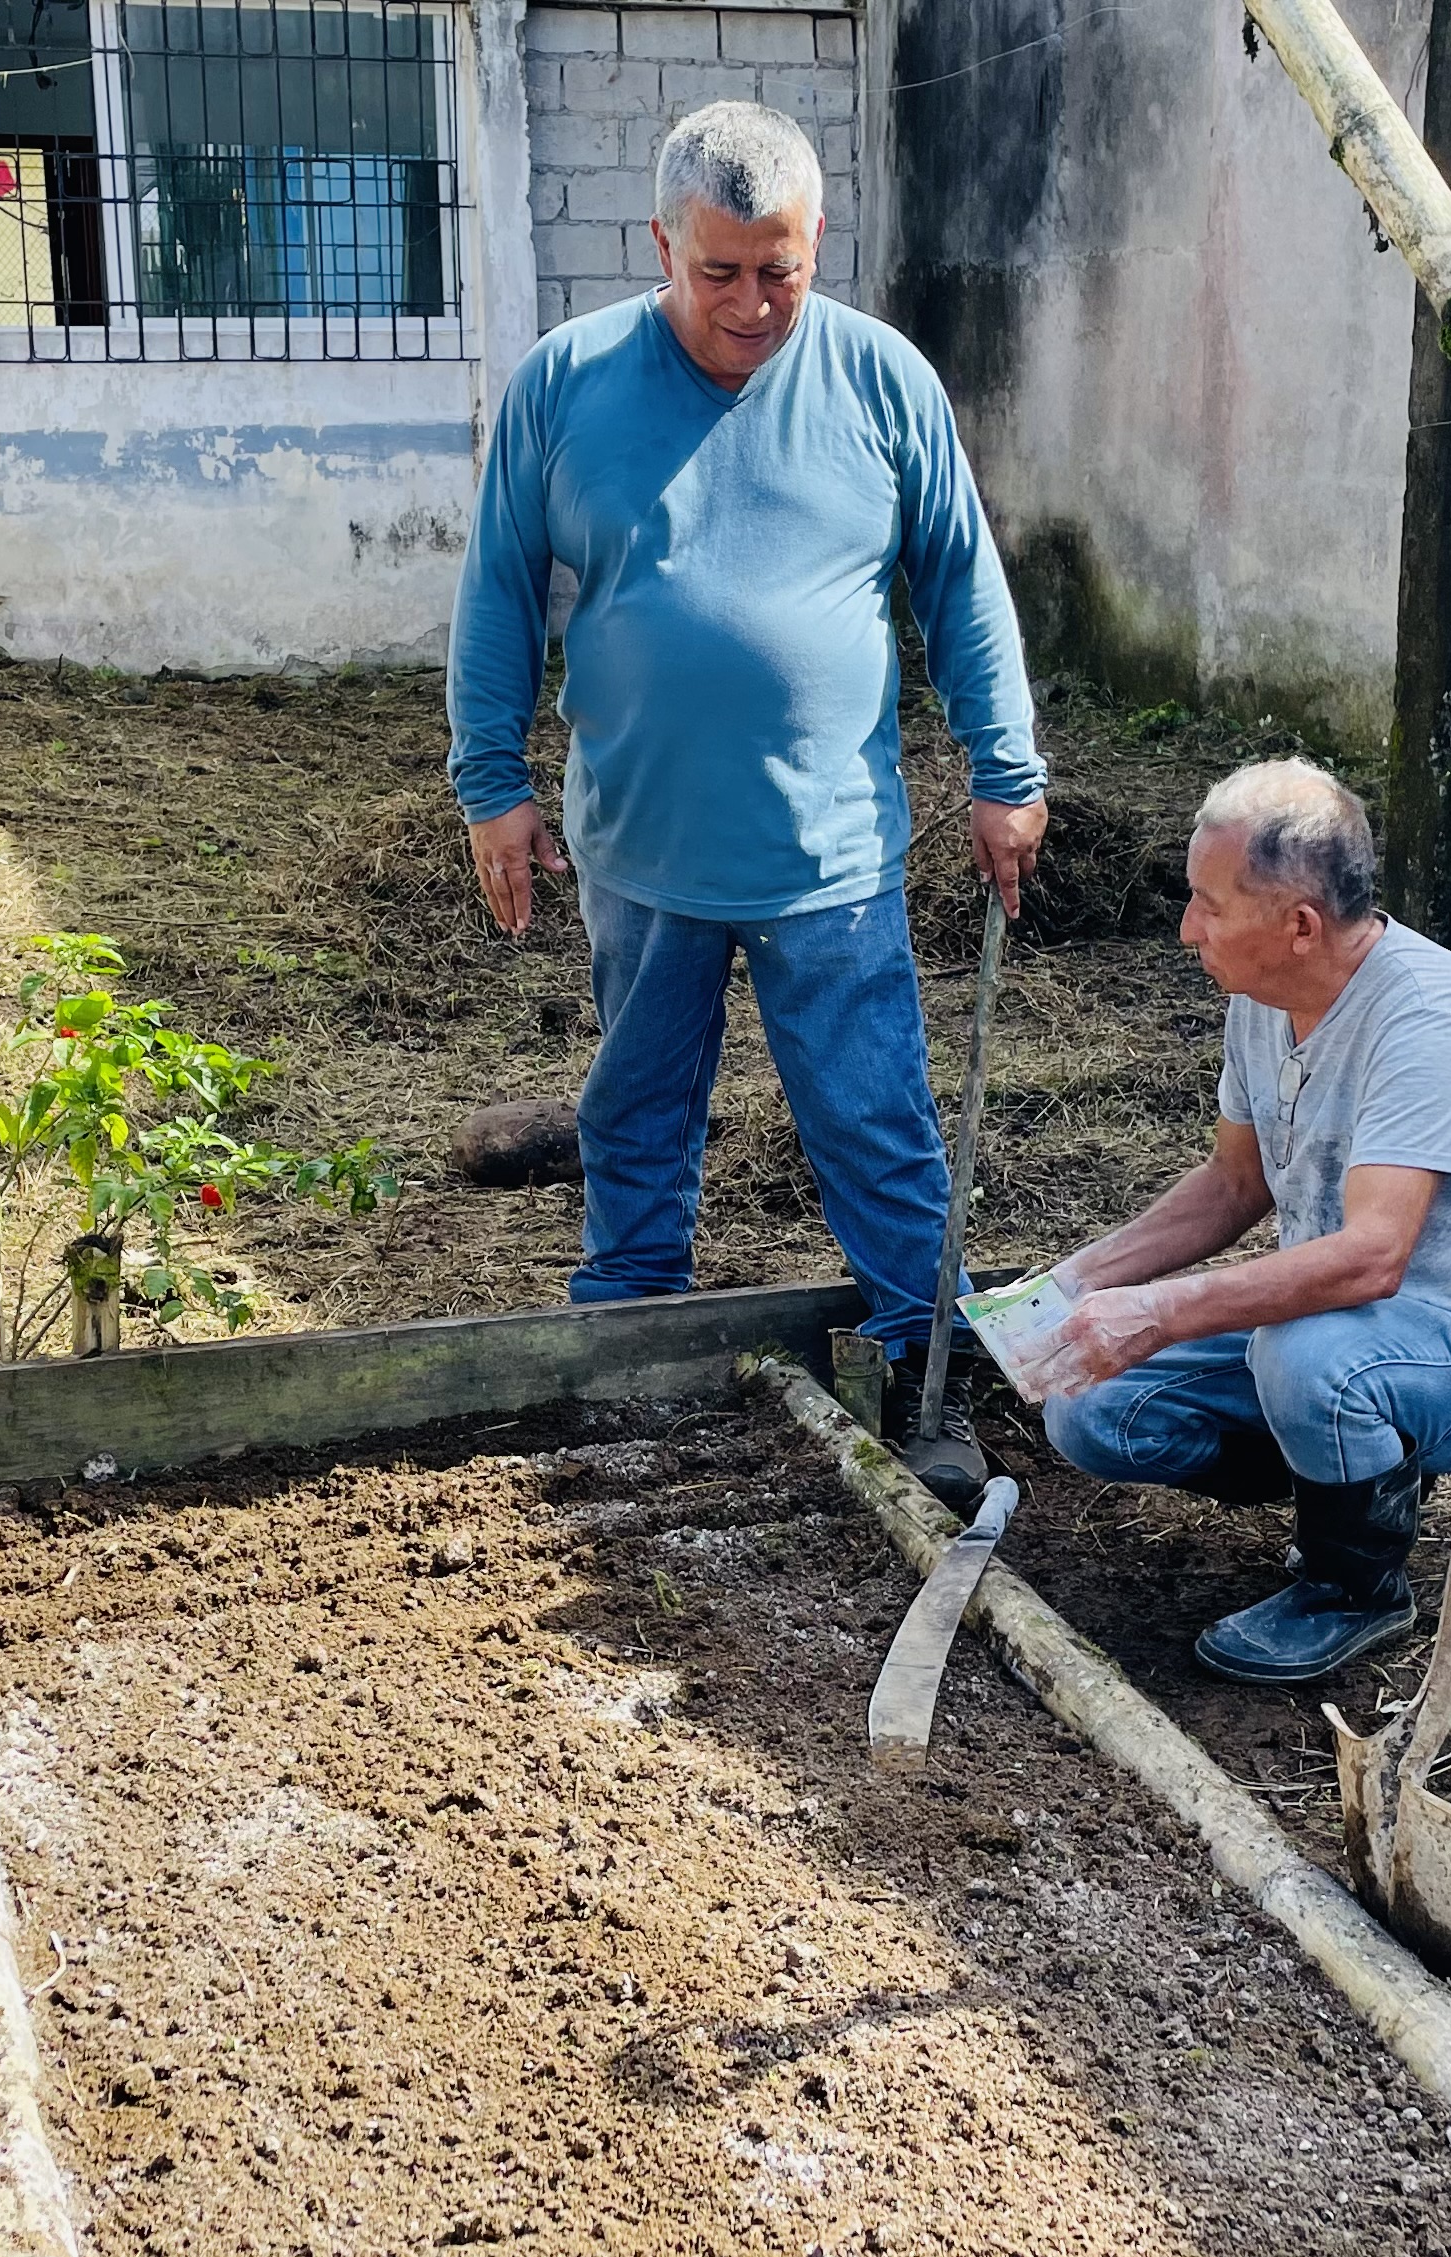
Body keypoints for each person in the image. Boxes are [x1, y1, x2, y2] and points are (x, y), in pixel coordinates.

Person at [448, 100, 1045, 1461]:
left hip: (828, 852)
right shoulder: (566, 382)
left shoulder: (882, 381)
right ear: (661, 244)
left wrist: (1005, 766)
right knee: (636, 1109)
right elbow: (498, 590)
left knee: (876, 1120)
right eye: (720, 271)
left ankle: (924, 1369)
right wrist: (491, 782)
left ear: (816, 237)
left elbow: (962, 582)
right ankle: (631, 1342)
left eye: (782, 268)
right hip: (642, 841)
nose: (754, 303)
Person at [1022, 761, 1451, 1685]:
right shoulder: (1262, 1000)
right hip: (1331, 1334)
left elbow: (1372, 1259)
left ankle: (1353, 1587)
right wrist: (1072, 1285)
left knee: (1304, 1357)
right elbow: (1232, 1185)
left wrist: (1159, 1312)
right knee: (1091, 1406)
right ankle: (1353, 1467)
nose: (1186, 928)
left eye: (1208, 905)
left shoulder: (1427, 1019)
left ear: (1301, 926)